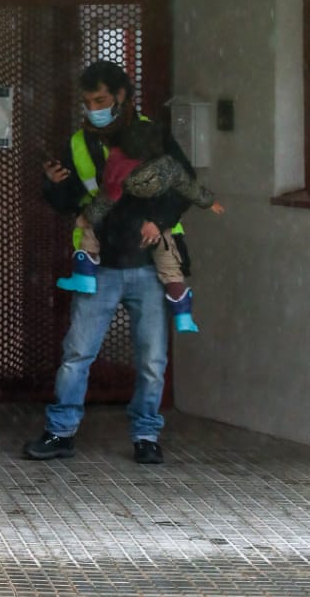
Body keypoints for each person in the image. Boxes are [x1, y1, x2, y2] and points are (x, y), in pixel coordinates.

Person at [24, 60, 197, 467]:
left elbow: (184, 187)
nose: (94, 108)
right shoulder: (79, 144)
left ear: (122, 97)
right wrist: (55, 184)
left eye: (100, 100)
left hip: (150, 267)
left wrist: (158, 219)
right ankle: (60, 432)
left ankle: (146, 435)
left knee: (152, 360)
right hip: (99, 265)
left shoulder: (154, 135)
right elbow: (70, 204)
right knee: (77, 353)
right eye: (87, 101)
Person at [59, 116, 225, 333]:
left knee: (90, 227)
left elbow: (108, 195)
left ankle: (84, 275)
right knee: (170, 270)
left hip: (128, 209)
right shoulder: (167, 164)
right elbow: (188, 187)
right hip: (156, 221)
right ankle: (183, 315)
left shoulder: (117, 160)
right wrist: (209, 202)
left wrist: (87, 217)